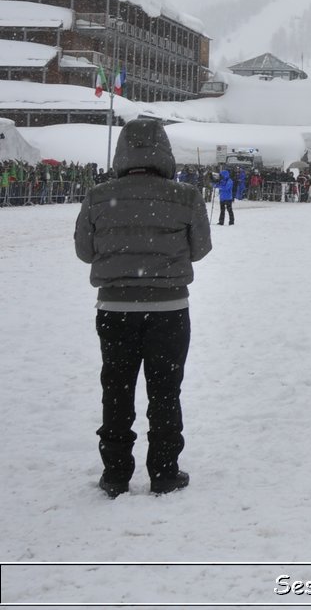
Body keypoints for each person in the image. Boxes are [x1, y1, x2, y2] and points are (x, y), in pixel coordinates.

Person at [74, 118, 213, 497]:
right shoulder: (186, 196)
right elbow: (200, 249)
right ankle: (165, 471)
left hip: (115, 309)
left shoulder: (99, 196)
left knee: (116, 389)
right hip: (169, 309)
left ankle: (116, 473)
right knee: (165, 390)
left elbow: (84, 250)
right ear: (164, 152)